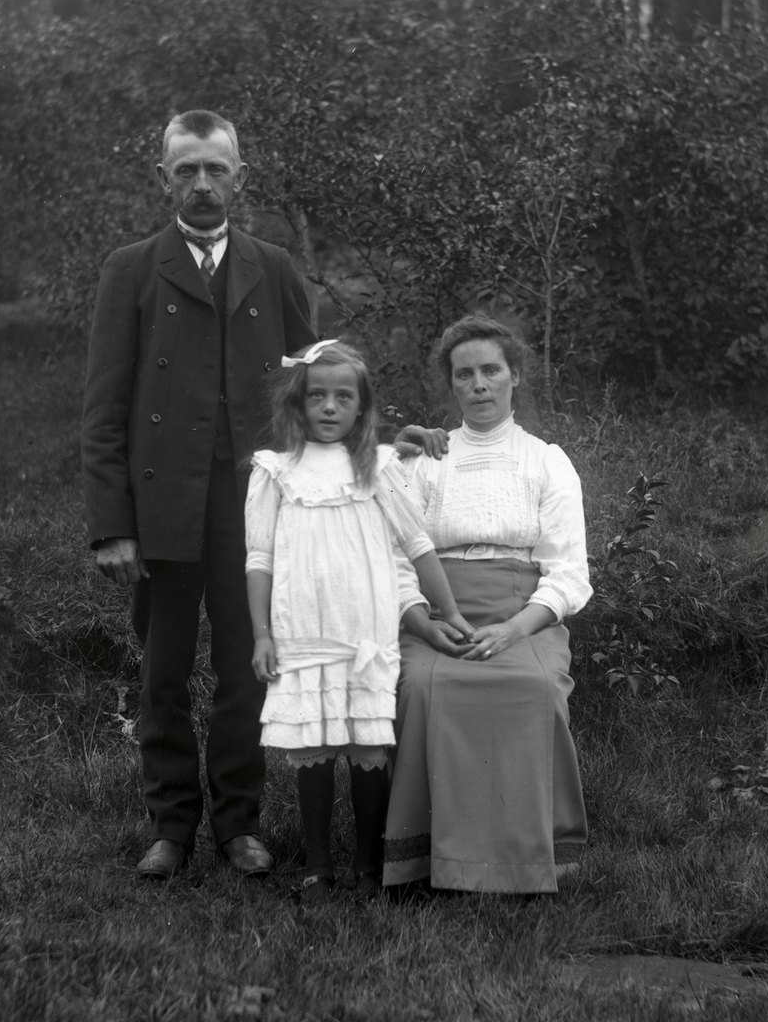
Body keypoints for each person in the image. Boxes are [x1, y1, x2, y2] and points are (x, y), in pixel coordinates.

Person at [81, 109, 316, 881]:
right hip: (164, 507)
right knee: (165, 672)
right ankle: (172, 827)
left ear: (240, 177)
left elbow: (315, 390)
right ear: (164, 179)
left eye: (217, 169)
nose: (203, 184)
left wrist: (360, 461)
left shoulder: (273, 267)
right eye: (187, 170)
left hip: (253, 505)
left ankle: (239, 823)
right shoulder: (131, 269)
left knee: (248, 669)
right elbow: (105, 407)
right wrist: (113, 525)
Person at [244, 340, 474, 903]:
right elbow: (260, 559)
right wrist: (262, 634)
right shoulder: (275, 473)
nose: (329, 407)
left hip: (365, 632)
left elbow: (418, 546)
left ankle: (370, 864)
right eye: (316, 396)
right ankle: (318, 865)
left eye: (343, 397)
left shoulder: (380, 467)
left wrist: (450, 611)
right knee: (315, 744)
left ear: (361, 406)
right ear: (296, 403)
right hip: (302, 632)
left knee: (369, 745)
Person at [384, 315, 593, 895]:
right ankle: (427, 859)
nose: (478, 385)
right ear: (451, 384)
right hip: (437, 612)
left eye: (491, 371)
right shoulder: (421, 461)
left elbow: (568, 572)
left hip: (522, 612)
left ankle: (530, 858)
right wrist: (421, 623)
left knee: (537, 687)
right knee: (421, 688)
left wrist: (513, 629)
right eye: (464, 374)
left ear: (514, 376)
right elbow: (395, 558)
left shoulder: (547, 461)